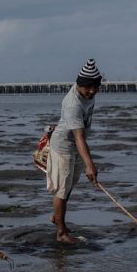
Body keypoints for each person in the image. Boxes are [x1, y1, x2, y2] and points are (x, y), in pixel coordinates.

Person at [46, 59, 102, 244]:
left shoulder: (88, 94)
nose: (92, 91)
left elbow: (80, 139)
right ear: (79, 84)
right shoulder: (73, 104)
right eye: (88, 87)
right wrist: (90, 165)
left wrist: (86, 163)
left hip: (75, 146)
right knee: (61, 191)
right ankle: (61, 233)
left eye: (95, 87)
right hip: (64, 147)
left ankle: (57, 217)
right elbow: (79, 138)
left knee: (68, 187)